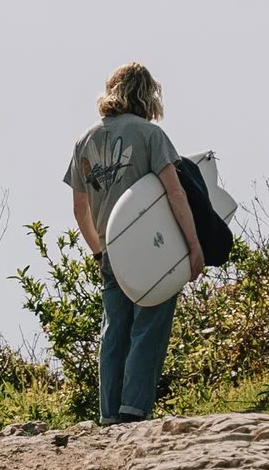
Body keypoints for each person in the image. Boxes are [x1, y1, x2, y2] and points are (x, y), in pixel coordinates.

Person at [65, 61, 204, 425]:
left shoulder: (85, 140)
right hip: (153, 247)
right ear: (146, 95)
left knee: (114, 329)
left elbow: (80, 211)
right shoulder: (150, 135)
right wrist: (193, 245)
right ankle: (134, 409)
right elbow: (175, 193)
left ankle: (109, 412)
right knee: (150, 322)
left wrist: (99, 252)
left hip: (111, 251)